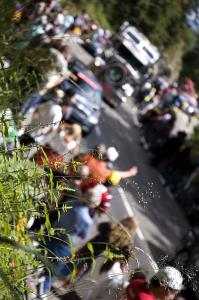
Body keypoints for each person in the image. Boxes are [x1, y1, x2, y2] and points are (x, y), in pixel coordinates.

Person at [71, 144, 138, 190]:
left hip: (71, 180)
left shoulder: (89, 159)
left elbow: (75, 160)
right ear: (111, 161)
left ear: (104, 153)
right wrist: (130, 173)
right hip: (82, 191)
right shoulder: (105, 173)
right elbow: (117, 174)